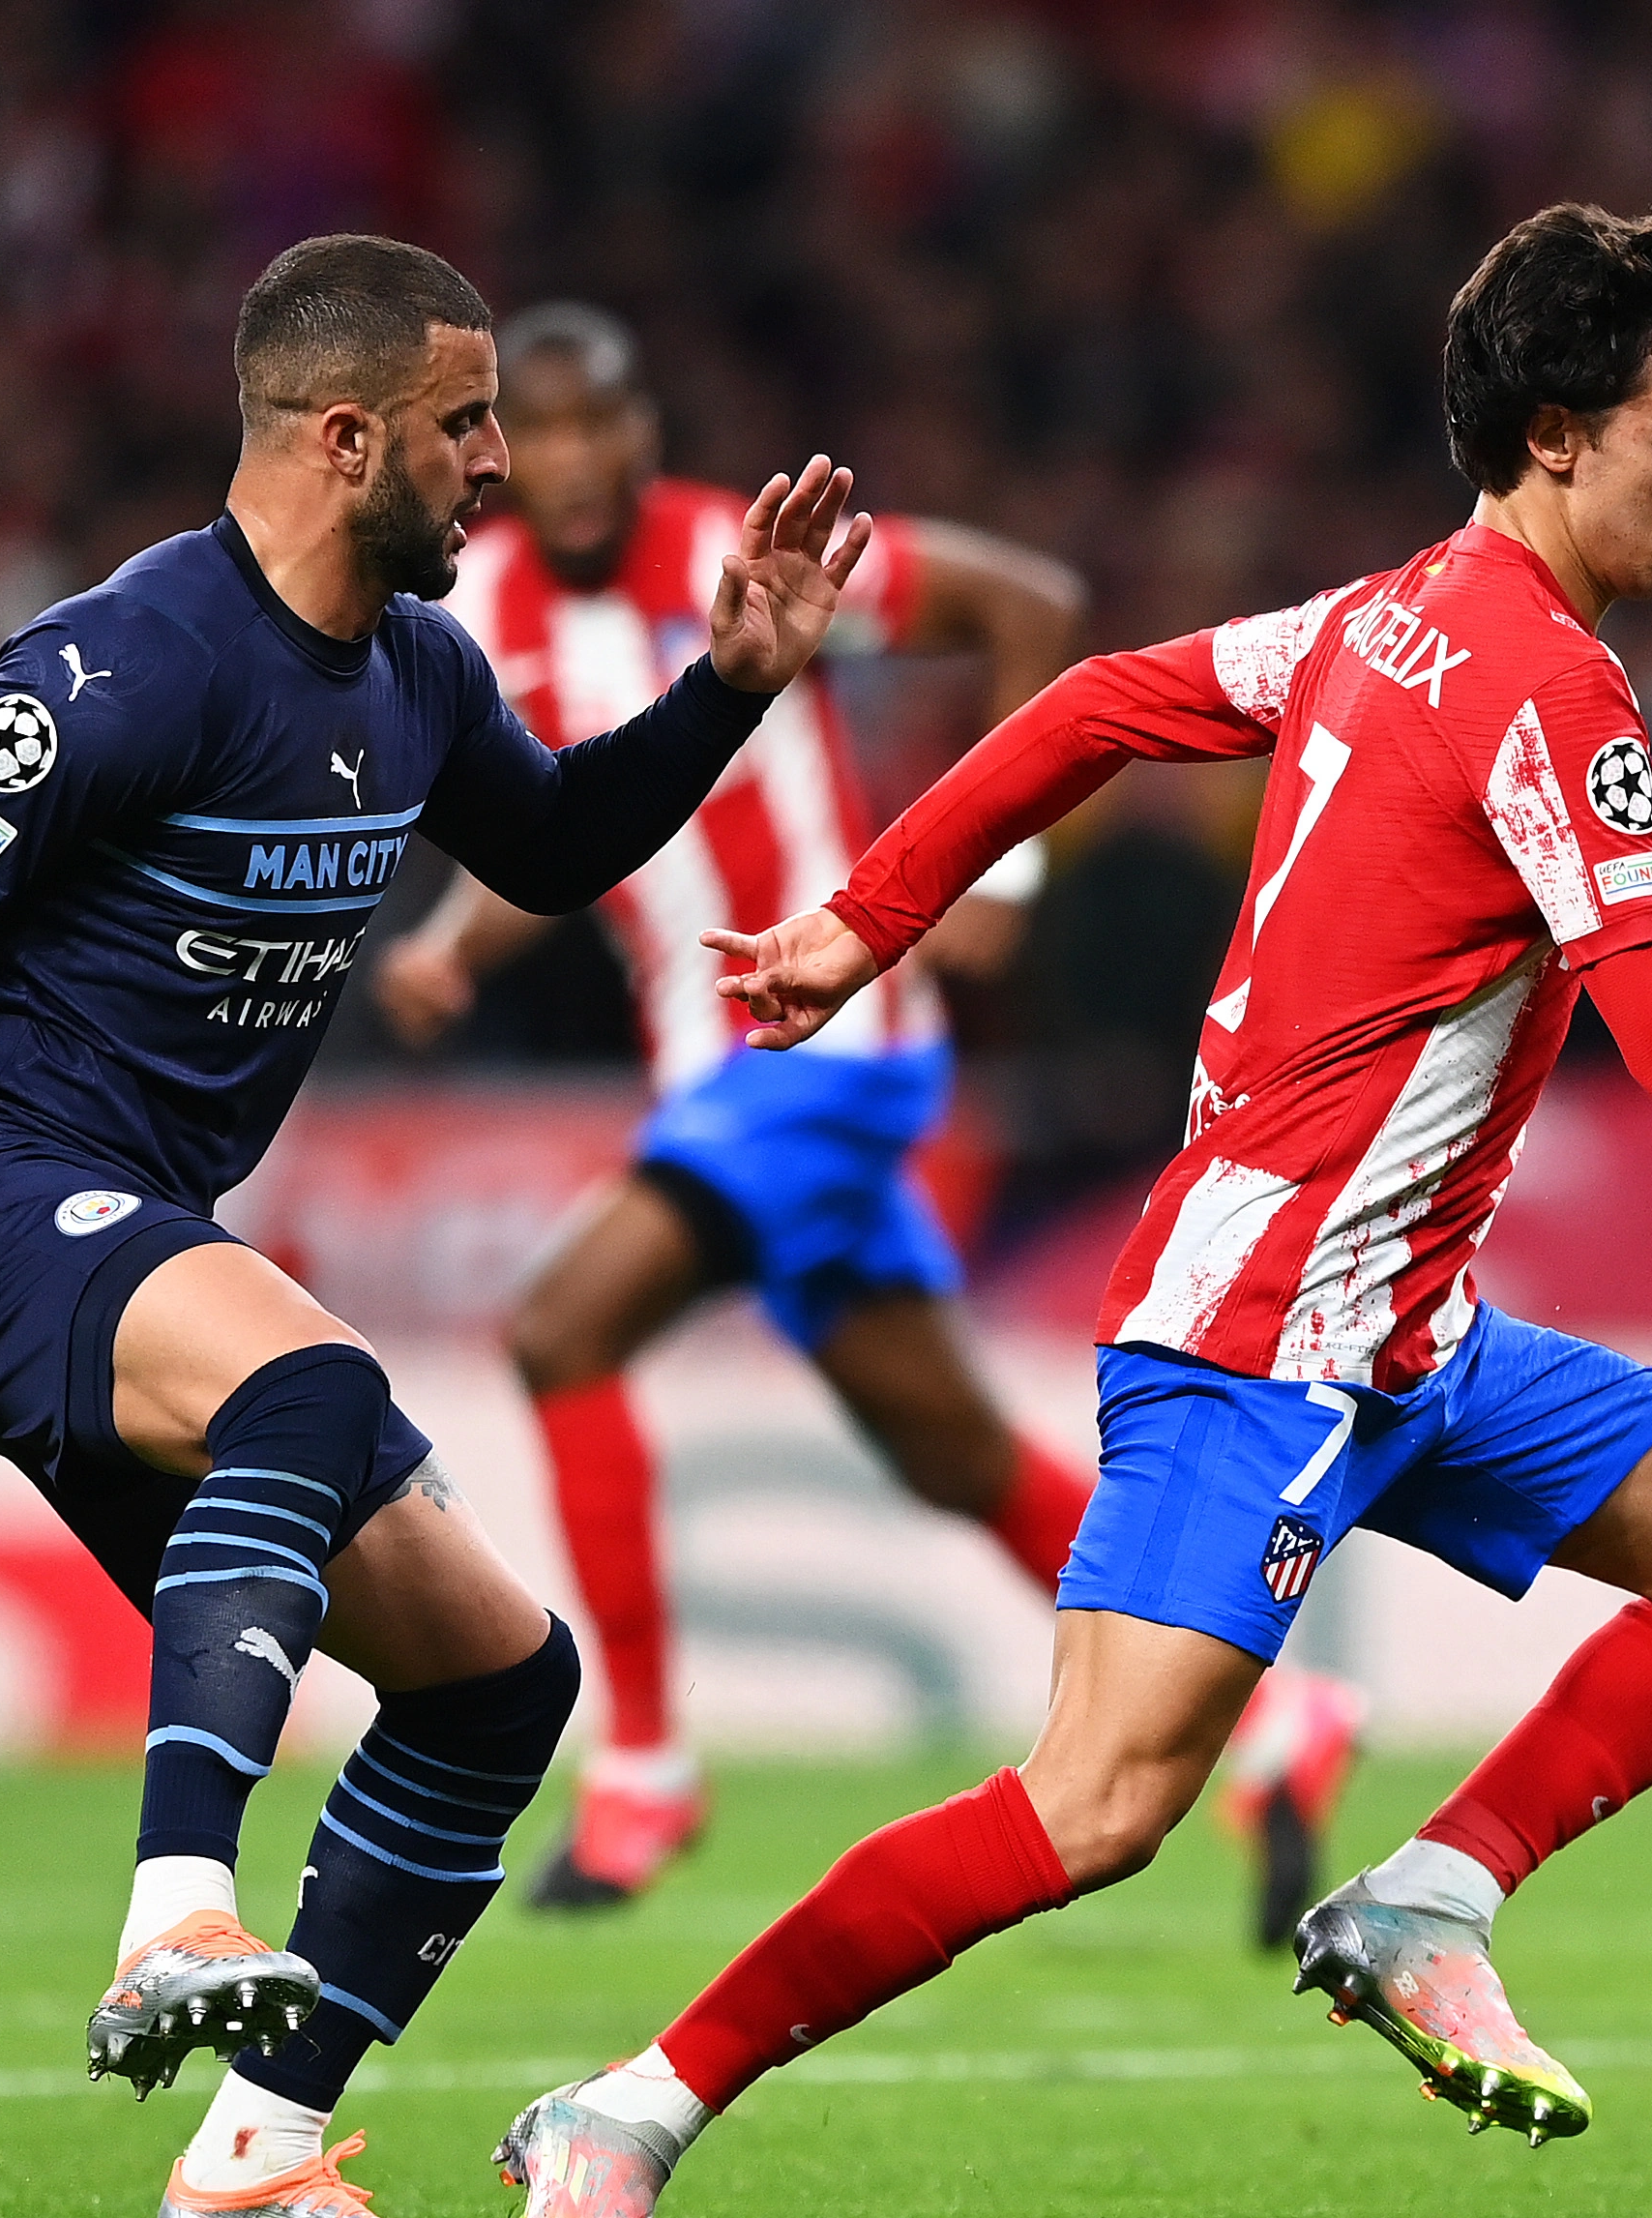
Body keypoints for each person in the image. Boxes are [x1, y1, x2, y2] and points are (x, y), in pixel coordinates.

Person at [486, 201, 1652, 2218]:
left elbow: (1094, 700)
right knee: (1092, 1810)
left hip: (1406, 1331)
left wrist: (869, 913)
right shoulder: (1551, 690)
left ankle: (1431, 1893)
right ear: (1555, 435)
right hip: (1263, 1332)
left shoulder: (1385, 616)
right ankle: (622, 2109)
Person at [0, 233, 871, 2218]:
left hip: (131, 1229)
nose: (502, 472)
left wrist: (731, 681)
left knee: (496, 1680)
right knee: (308, 1380)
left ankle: (258, 2157)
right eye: (467, 428)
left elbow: (547, 849)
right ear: (345, 432)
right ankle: (177, 1906)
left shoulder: (422, 672)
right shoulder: (126, 661)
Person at [373, 303, 1369, 1932]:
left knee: (562, 1330)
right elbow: (577, 828)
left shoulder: (748, 550)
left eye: (590, 424)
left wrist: (1003, 861)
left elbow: (1028, 602)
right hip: (719, 1066)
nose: (561, 460)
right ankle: (1276, 1720)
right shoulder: (479, 613)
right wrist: (450, 946)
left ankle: (638, 1773)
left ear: (641, 431)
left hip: (829, 1041)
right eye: (527, 429)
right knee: (956, 1454)